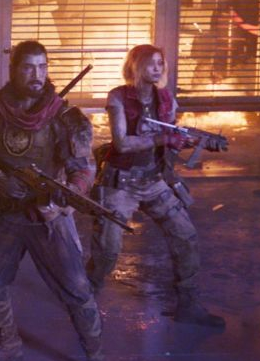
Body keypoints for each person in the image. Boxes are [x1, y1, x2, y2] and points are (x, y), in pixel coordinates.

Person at [0, 40, 108, 361]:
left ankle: (95, 358)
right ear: (13, 70)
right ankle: (9, 344)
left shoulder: (65, 117)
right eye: (28, 67)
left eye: (42, 67)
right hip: (5, 210)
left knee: (77, 288)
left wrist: (65, 198)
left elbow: (82, 168)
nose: (36, 75)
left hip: (47, 214)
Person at [87, 44, 226, 329]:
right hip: (120, 182)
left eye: (161, 63)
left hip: (153, 180)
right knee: (108, 250)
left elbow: (173, 136)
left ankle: (188, 305)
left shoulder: (165, 98)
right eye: (150, 63)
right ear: (135, 66)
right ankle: (84, 297)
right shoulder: (118, 97)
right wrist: (163, 139)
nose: (157, 68)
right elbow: (122, 143)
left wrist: (196, 141)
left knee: (185, 237)